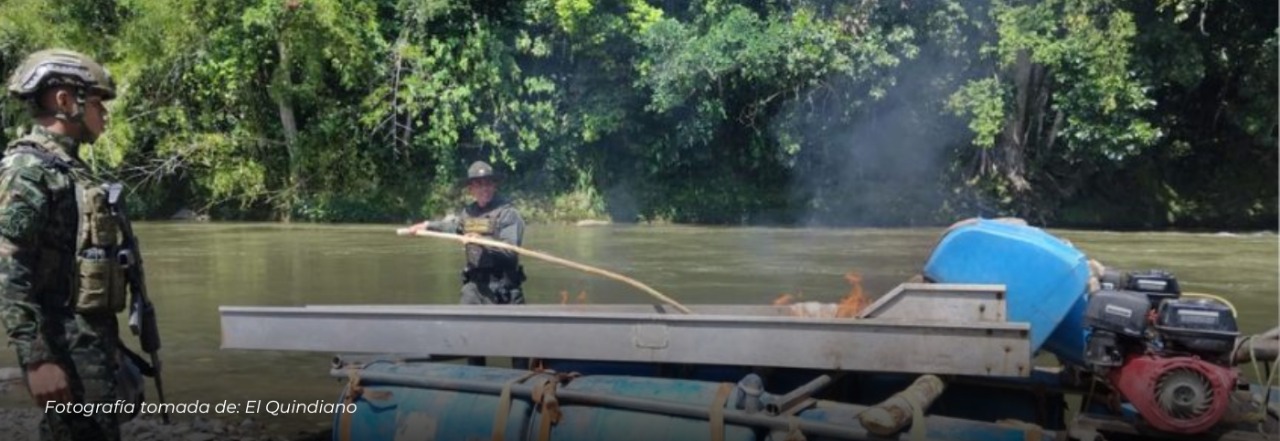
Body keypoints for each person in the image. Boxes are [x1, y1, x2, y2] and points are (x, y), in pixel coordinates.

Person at [0, 48, 129, 441]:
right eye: (97, 103)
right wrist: (38, 360)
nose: (104, 114)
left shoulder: (69, 168)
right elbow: (7, 268)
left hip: (89, 344)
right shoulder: (29, 170)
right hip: (62, 349)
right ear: (64, 101)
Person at [407, 160, 528, 367]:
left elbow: (510, 251)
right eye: (479, 184)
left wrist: (481, 241)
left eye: (488, 183)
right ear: (471, 189)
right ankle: (476, 381)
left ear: (494, 185)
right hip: (474, 288)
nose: (484, 189)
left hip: (503, 288)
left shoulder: (509, 214)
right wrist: (427, 226)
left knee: (516, 344)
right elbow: (453, 227)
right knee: (470, 340)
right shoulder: (468, 213)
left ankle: (521, 388)